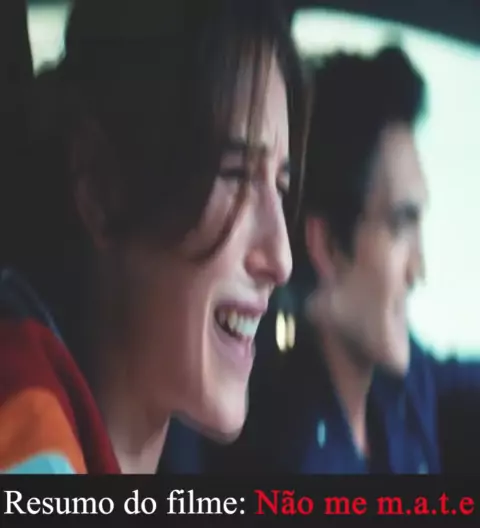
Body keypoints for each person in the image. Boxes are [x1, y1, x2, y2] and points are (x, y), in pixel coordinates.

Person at [0, 0, 309, 474]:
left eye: (281, 187)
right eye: (234, 175)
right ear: (102, 189)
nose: (281, 258)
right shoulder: (27, 438)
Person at [204, 45, 480, 474]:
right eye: (400, 225)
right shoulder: (282, 454)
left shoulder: (400, 386)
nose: (419, 270)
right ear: (329, 246)